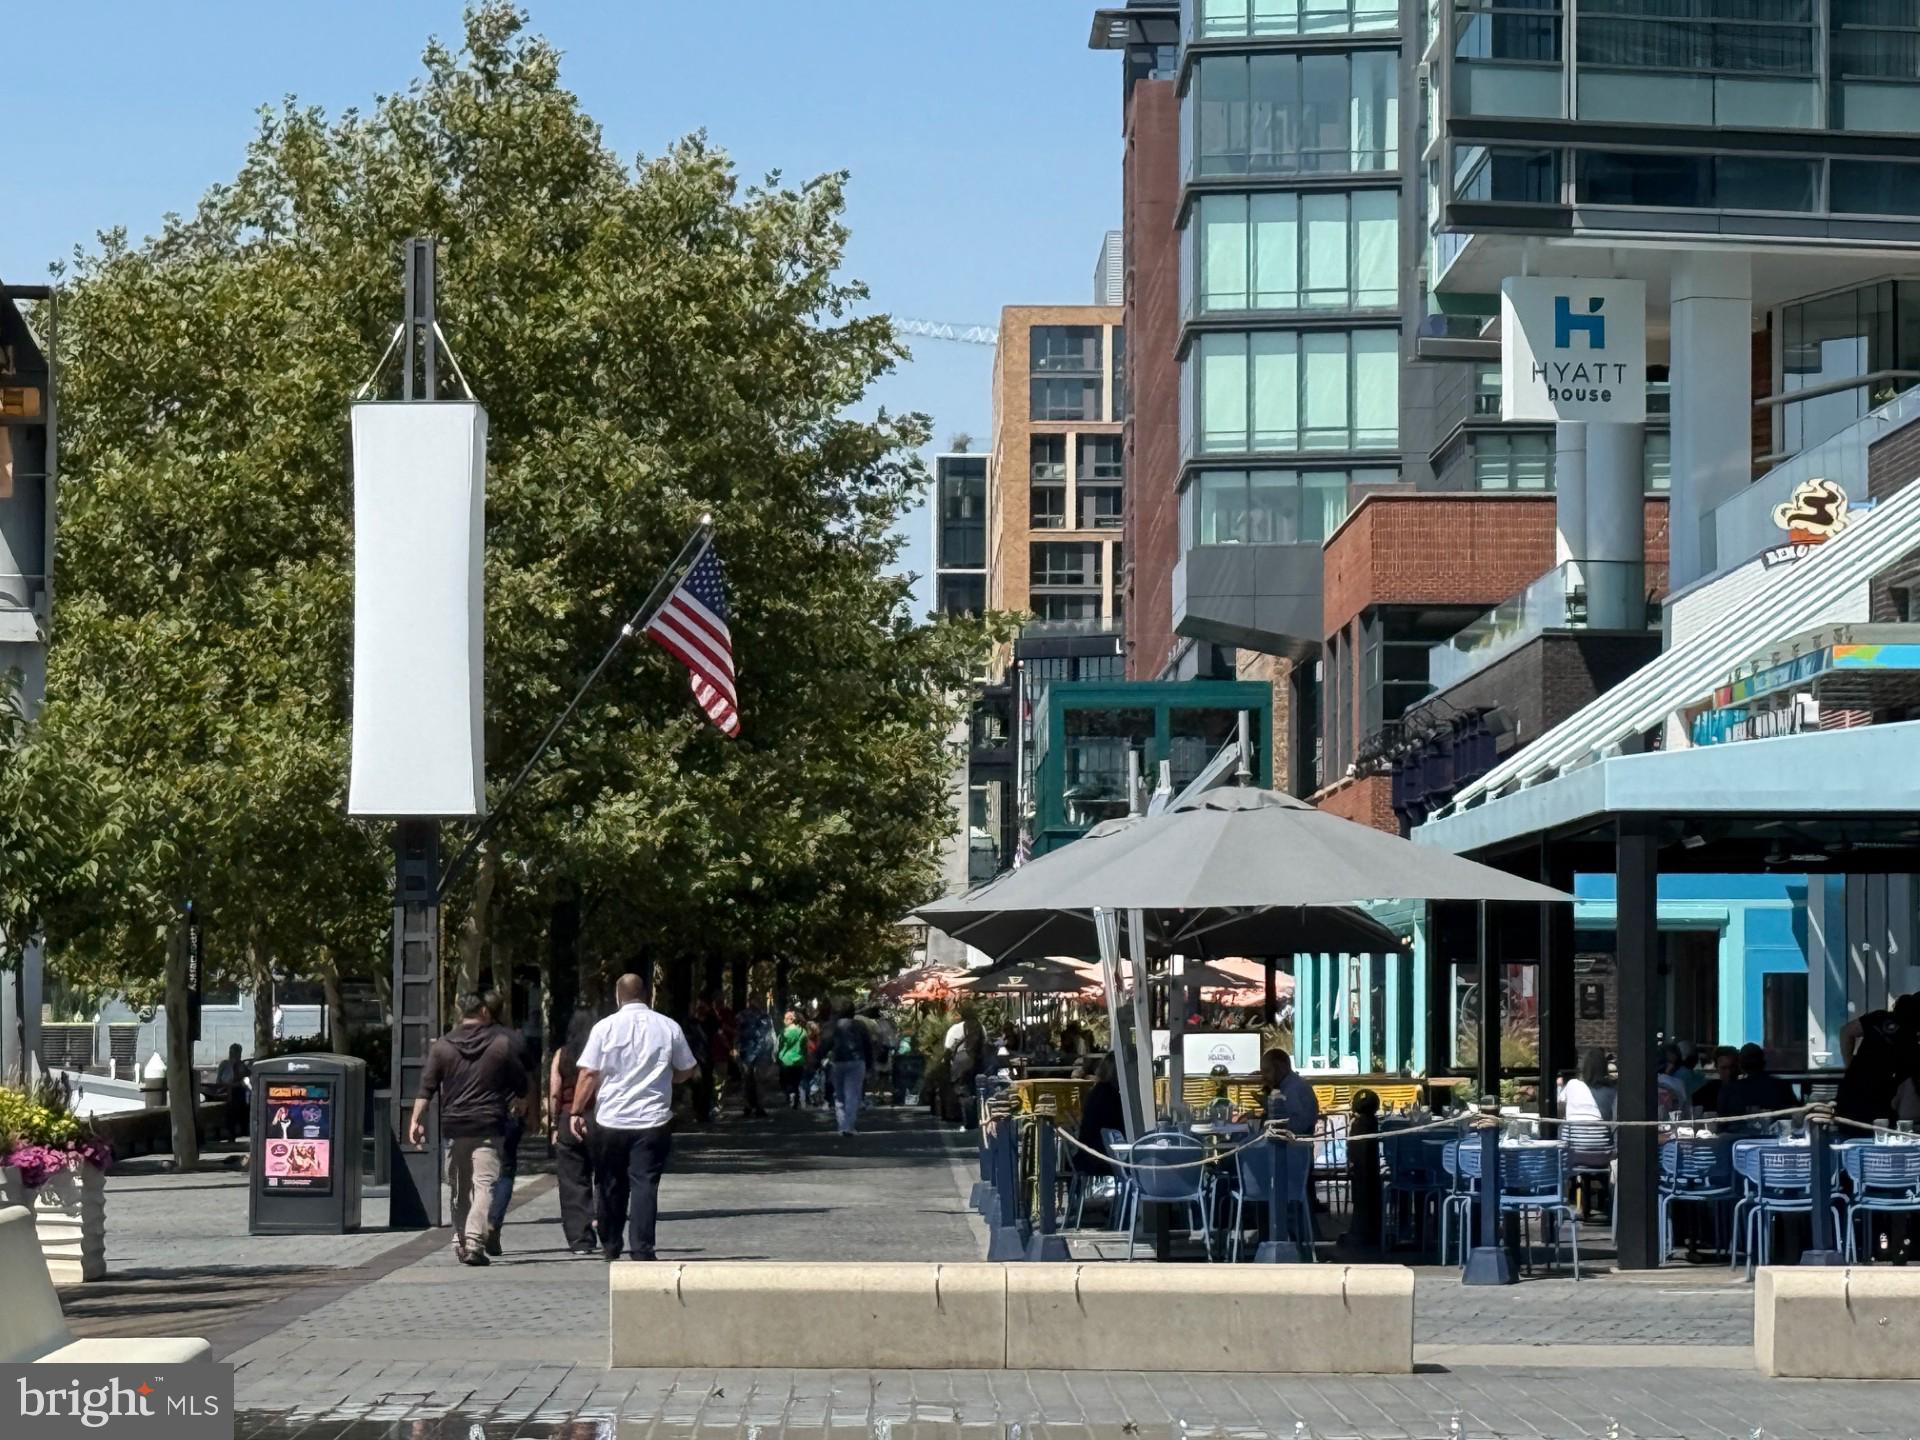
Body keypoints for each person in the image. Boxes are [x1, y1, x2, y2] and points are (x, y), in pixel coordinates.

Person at [571, 972, 699, 1262]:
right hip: (653, 1119)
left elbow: (588, 1073)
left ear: (618, 996)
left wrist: (576, 1111)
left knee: (610, 1182)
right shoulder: (668, 1026)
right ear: (647, 995)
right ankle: (642, 1247)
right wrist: (669, 1079)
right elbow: (687, 1068)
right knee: (645, 1183)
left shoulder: (605, 1027)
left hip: (611, 1119)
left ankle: (610, 1241)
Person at [410, 990, 526, 1267]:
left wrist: (415, 1120)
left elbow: (426, 1087)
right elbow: (521, 1083)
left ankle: (462, 1239)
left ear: (460, 1012)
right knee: (485, 1184)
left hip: (455, 1126)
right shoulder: (501, 1044)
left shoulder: (443, 1047)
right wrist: (520, 1103)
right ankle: (473, 1241)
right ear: (484, 1012)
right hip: (488, 1125)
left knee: (459, 1188)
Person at [483, 1021, 543, 1256]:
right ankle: (494, 1221)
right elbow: (530, 1080)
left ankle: (475, 1228)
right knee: (506, 1170)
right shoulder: (515, 1041)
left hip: (477, 1115)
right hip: (510, 1114)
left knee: (478, 1173)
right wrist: (534, 1115)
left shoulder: (470, 1039)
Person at [548, 1008, 601, 1255]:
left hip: (568, 1118)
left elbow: (554, 1092)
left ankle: (580, 1239)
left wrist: (553, 1124)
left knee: (572, 1181)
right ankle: (604, 1222)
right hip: (600, 1118)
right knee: (605, 1175)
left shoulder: (562, 1054)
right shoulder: (602, 1052)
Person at [827, 998, 875, 1136]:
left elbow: (826, 1043)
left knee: (839, 1095)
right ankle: (849, 1126)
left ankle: (842, 1126)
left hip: (837, 1061)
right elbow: (867, 1045)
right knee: (852, 1094)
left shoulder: (834, 1026)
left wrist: (817, 1058)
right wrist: (870, 1065)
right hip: (856, 1061)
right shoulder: (860, 1026)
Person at [1260, 1047, 1318, 1137]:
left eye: (1267, 1071)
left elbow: (1299, 1125)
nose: (1263, 1077)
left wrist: (1274, 1126)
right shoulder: (1289, 1084)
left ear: (1280, 1069)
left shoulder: (1292, 1089)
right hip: (1291, 1140)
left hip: (1293, 1142)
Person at [735, 996, 774, 1120]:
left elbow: (769, 1034)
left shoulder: (765, 1016)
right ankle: (749, 1106)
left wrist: (771, 1051)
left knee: (758, 1080)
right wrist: (735, 1048)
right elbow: (737, 1033)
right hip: (746, 1052)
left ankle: (758, 1106)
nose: (756, 1003)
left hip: (760, 1053)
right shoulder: (742, 1016)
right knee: (747, 1080)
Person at [1691, 1046, 1741, 1114]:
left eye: (1732, 1067)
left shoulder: (1747, 1090)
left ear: (1738, 1067)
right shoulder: (1705, 1094)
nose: (1729, 1072)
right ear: (1717, 1068)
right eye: (1724, 1068)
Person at [216, 1043, 250, 1139]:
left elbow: (247, 1077)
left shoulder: (242, 1065)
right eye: (233, 1052)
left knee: (241, 1101)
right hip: (225, 1089)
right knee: (232, 1105)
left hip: (238, 1089)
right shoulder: (224, 1064)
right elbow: (219, 1080)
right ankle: (232, 1131)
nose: (235, 1055)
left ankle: (242, 1129)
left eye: (237, 1052)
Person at [776, 1008, 808, 1108]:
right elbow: (805, 1047)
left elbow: (778, 1046)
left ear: (791, 1020)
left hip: (785, 1061)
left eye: (786, 1019)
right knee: (796, 1081)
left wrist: (776, 1057)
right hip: (799, 1060)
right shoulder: (803, 1031)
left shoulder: (784, 1032)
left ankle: (790, 1096)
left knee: (786, 1081)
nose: (784, 1020)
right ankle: (795, 1097)